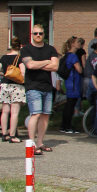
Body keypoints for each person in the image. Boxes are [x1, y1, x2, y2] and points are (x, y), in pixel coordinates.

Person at [21, 24, 59, 155]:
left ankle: (40, 143)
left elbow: (55, 67)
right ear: (32, 35)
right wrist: (47, 61)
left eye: (40, 33)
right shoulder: (26, 49)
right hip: (33, 86)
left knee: (45, 115)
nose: (38, 35)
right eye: (35, 33)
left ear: (44, 34)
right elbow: (29, 65)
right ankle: (31, 143)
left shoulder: (51, 49)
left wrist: (37, 64)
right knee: (35, 114)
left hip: (47, 86)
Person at [0, 37, 26, 142]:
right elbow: (23, 73)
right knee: (14, 112)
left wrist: (5, 74)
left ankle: (4, 134)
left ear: (11, 46)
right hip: (16, 86)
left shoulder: (3, 57)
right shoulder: (20, 58)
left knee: (5, 111)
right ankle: (12, 136)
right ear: (20, 46)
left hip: (4, 85)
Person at [58, 37, 83, 134]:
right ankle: (67, 126)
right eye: (78, 42)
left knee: (68, 105)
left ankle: (64, 125)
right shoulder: (73, 56)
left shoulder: (67, 55)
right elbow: (79, 70)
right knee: (70, 105)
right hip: (74, 83)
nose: (79, 43)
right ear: (73, 44)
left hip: (69, 82)